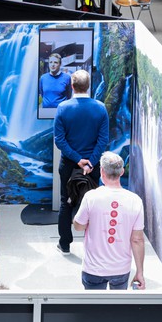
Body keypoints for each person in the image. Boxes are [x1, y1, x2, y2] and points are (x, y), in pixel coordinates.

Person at [53, 69, 109, 254]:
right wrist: (90, 162)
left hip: (69, 164)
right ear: (89, 85)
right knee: (93, 203)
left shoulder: (63, 108)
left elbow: (60, 140)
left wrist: (78, 160)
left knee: (65, 202)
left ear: (72, 85)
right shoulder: (100, 108)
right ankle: (92, 245)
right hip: (92, 167)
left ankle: (65, 244)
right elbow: (103, 140)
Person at [73, 152, 146, 290]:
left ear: (101, 171)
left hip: (93, 269)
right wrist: (140, 272)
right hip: (121, 269)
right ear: (122, 171)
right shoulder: (135, 200)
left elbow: (78, 227)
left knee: (93, 309)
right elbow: (137, 240)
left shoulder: (91, 197)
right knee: (116, 310)